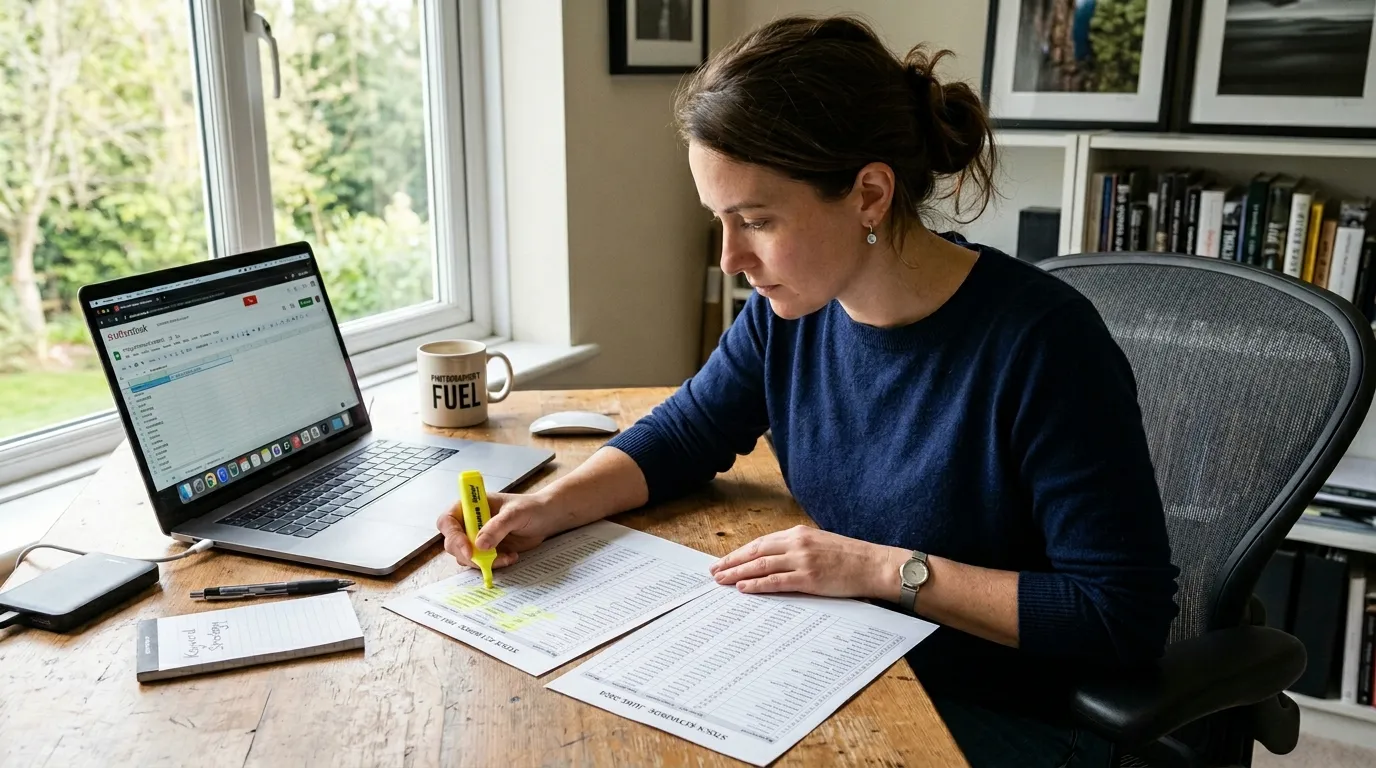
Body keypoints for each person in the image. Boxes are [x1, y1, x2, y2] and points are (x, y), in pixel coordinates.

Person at [437, 14, 1179, 768]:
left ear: (868, 194)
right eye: (720, 221)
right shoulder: (789, 315)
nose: (730, 259)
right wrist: (545, 508)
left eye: (756, 220)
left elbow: (1118, 615)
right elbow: (685, 434)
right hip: (850, 666)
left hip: (1008, 711)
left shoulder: (1045, 345)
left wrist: (879, 568)